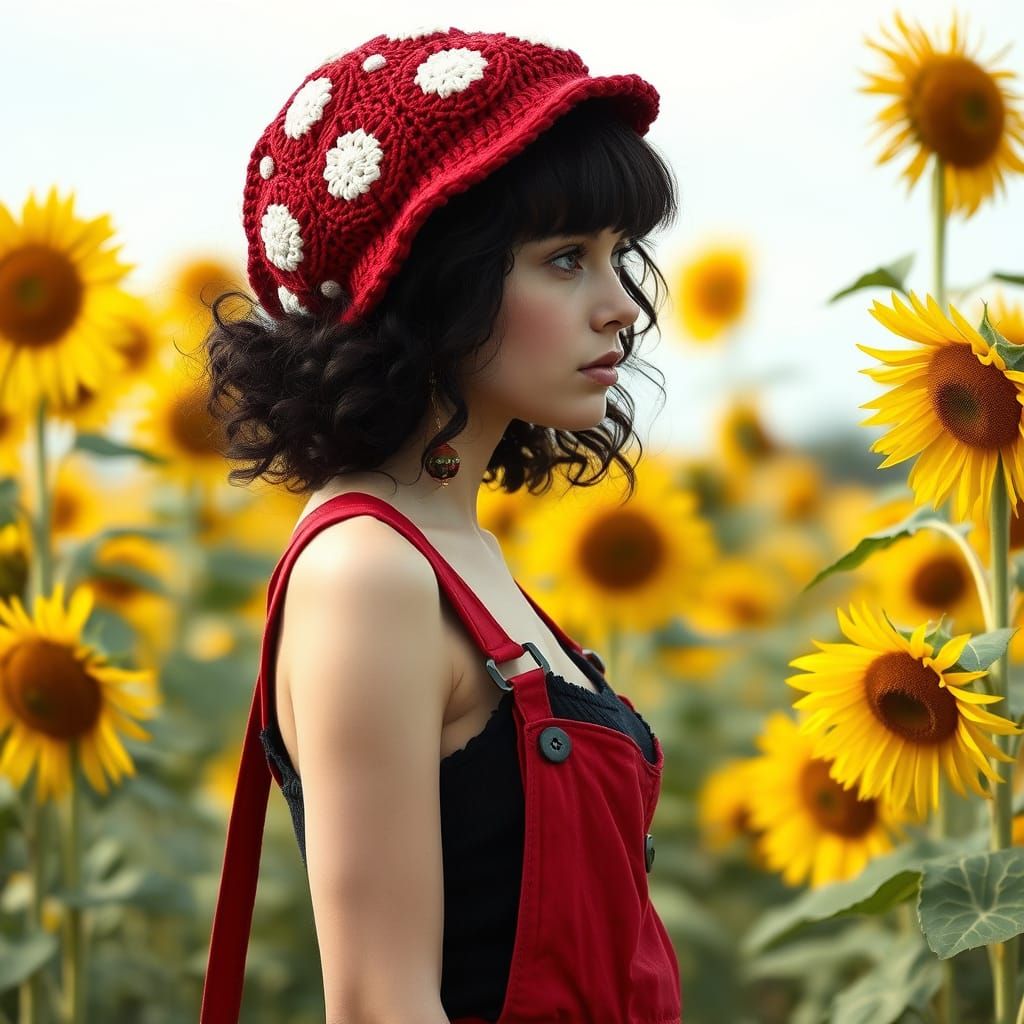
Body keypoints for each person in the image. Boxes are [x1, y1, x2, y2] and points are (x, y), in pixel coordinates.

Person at [198, 24, 682, 1024]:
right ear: (434, 285)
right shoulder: (367, 573)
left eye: (617, 254)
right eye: (563, 260)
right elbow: (382, 1003)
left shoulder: (459, 553)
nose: (620, 307)